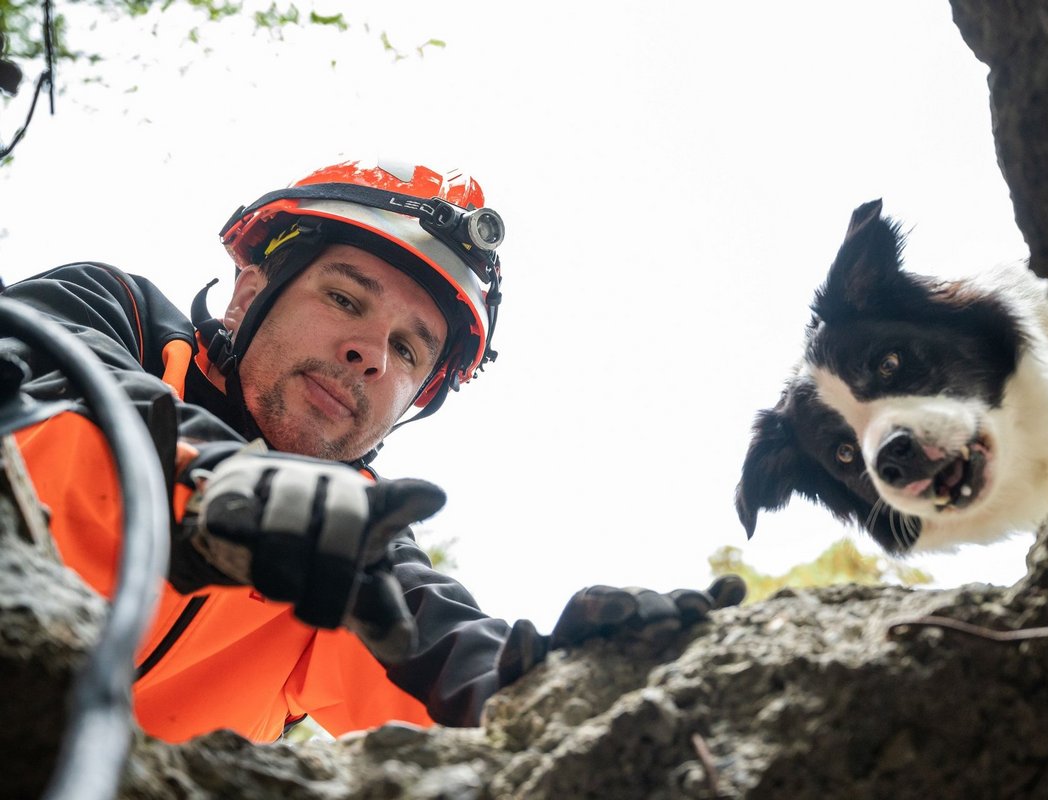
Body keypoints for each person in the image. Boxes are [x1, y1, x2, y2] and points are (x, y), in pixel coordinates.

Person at [1, 157, 744, 743]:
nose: (370, 356)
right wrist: (223, 490)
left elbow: (458, 668)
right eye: (346, 300)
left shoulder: (357, 551)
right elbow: (39, 387)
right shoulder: (110, 312)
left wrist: (581, 678)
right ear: (248, 292)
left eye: (409, 351)